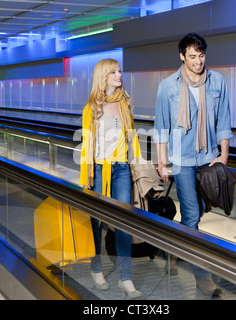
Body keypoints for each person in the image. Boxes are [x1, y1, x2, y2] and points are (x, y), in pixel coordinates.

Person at [154, 33, 233, 298]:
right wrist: (162, 162)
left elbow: (224, 119)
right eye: (192, 56)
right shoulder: (168, 86)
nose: (198, 61)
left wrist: (224, 154)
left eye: (201, 56)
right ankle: (203, 278)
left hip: (208, 157)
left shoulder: (217, 81)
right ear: (181, 56)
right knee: (190, 215)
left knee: (198, 209)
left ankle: (173, 247)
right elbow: (161, 128)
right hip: (181, 158)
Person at [79, 58, 142, 299]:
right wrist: (85, 176)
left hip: (121, 169)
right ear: (103, 76)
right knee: (97, 222)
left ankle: (126, 278)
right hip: (98, 169)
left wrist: (136, 163)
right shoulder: (91, 108)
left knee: (124, 221)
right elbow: (86, 145)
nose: (119, 75)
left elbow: (132, 138)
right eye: (114, 72)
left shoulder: (124, 104)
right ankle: (96, 269)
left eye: (120, 71)